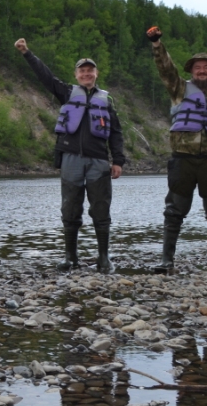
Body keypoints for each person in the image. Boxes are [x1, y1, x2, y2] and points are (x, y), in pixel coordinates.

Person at [15, 38, 125, 273]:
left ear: (96, 74)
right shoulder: (66, 92)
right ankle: (70, 257)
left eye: (90, 71)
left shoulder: (106, 101)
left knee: (101, 208)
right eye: (82, 71)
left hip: (98, 160)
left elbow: (115, 132)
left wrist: (118, 161)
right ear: (76, 75)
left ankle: (104, 258)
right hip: (71, 158)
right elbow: (45, 76)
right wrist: (27, 53)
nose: (86, 74)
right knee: (70, 208)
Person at [146, 26, 207, 272]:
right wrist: (157, 44)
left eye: (206, 67)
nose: (202, 70)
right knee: (174, 209)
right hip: (182, 160)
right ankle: (167, 260)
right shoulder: (179, 88)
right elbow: (165, 68)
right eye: (198, 67)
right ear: (191, 71)